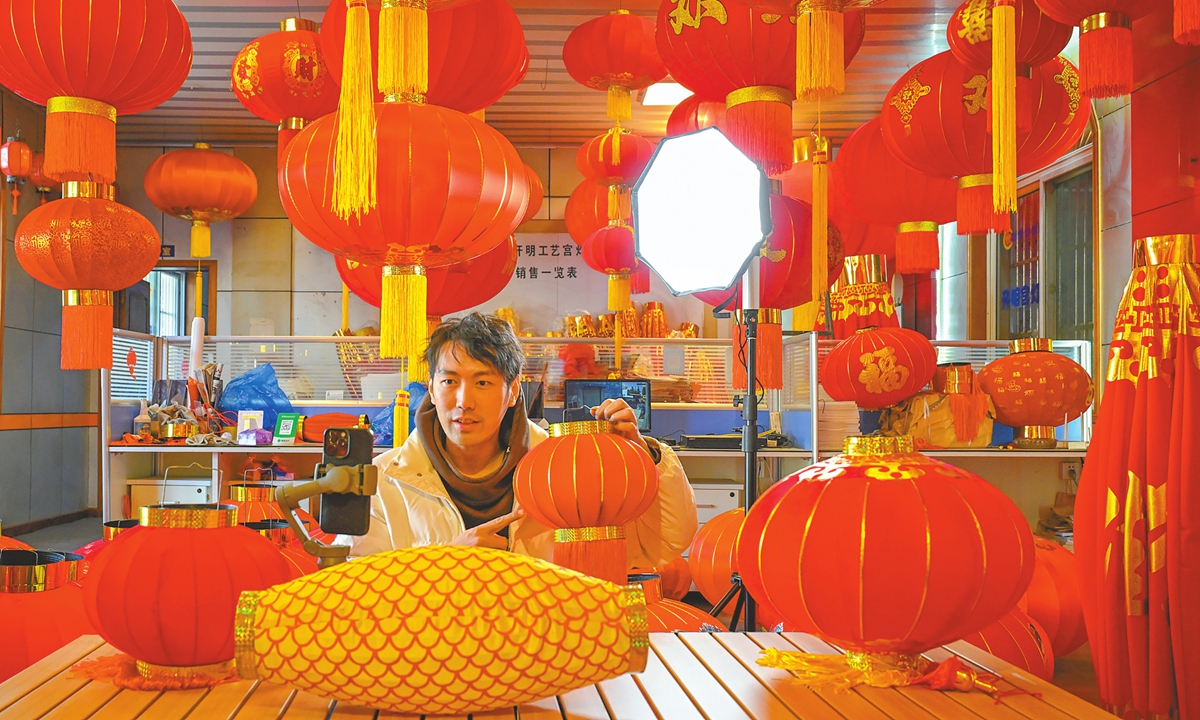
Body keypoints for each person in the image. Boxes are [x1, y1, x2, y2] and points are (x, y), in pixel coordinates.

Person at [346, 312, 698, 568]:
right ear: (432, 388)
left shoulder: (562, 471)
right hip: (427, 662)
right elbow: (353, 587)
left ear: (513, 390)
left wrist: (642, 457)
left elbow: (661, 545)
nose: (463, 400)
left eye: (483, 382)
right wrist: (444, 563)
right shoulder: (382, 479)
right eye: (450, 381)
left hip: (542, 658)